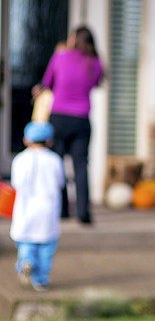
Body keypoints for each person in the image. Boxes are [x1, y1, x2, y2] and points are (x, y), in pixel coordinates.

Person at [32, 25, 103, 225]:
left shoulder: (60, 57)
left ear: (73, 39)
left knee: (57, 164)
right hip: (81, 120)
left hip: (59, 119)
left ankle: (62, 210)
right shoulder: (95, 63)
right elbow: (95, 83)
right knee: (81, 166)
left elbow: (47, 83)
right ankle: (83, 213)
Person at [10, 121, 64, 291]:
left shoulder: (20, 159)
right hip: (47, 210)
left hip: (26, 209)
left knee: (26, 242)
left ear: (26, 140)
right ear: (49, 141)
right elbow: (61, 182)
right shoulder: (54, 159)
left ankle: (26, 262)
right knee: (46, 247)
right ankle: (40, 279)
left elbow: (15, 183)